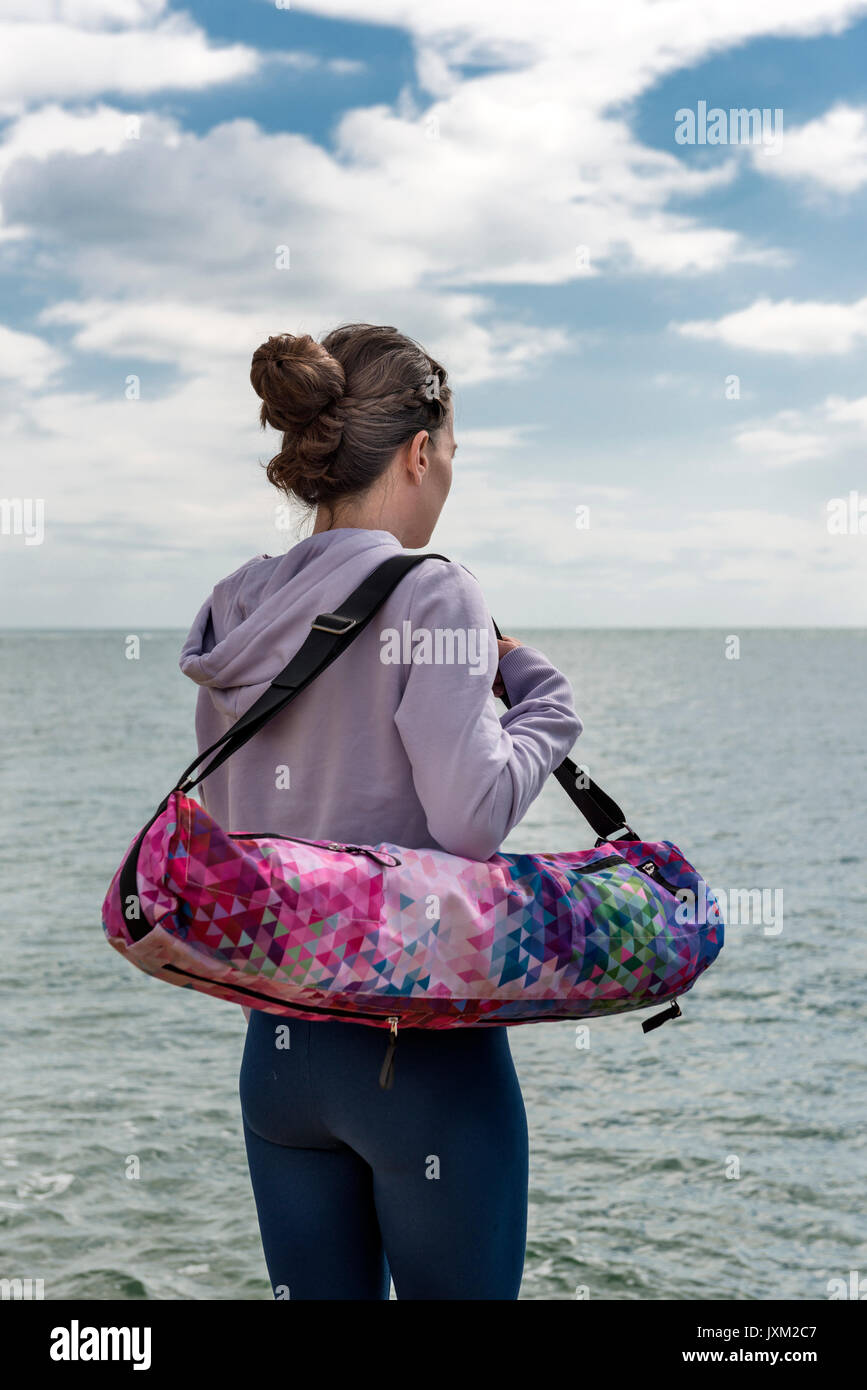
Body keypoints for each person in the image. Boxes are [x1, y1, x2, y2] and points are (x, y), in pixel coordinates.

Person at [179, 323, 582, 1300]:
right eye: (450, 454)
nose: (447, 476)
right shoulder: (434, 591)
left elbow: (228, 803)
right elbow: (474, 814)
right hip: (420, 1056)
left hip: (281, 1051)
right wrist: (539, 690)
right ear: (417, 450)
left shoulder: (237, 603)